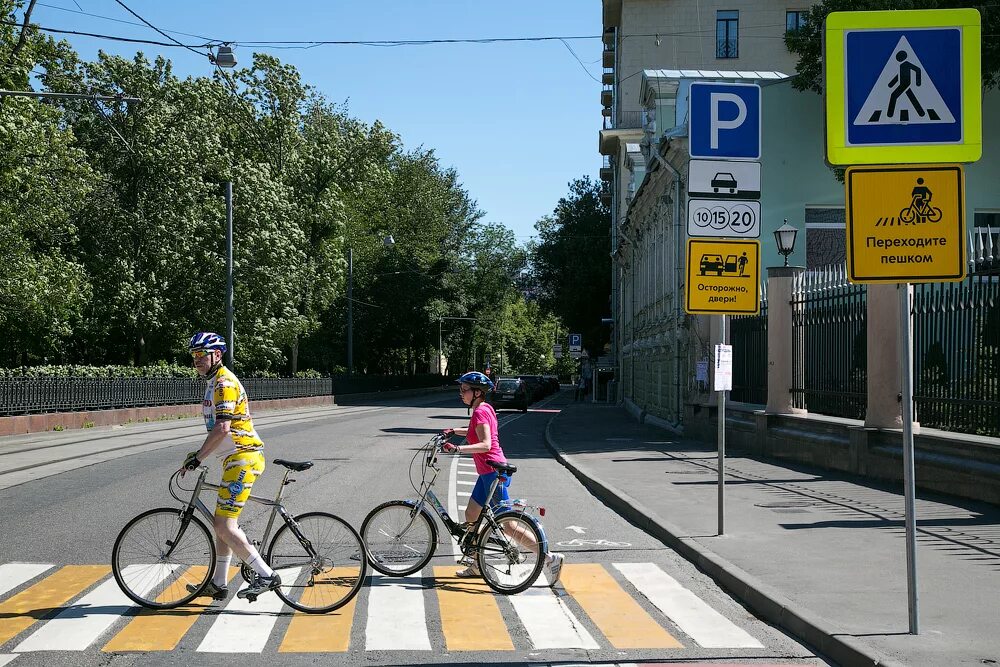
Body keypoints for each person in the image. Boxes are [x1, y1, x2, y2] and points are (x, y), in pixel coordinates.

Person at [180, 332, 280, 602]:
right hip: (233, 459)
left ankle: (266, 574)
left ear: (217, 355)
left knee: (224, 524)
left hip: (243, 458)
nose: (197, 360)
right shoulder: (215, 382)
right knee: (221, 524)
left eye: (202, 355)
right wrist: (198, 453)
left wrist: (199, 458)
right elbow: (218, 429)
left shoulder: (224, 382)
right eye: (194, 356)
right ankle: (219, 582)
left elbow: (223, 427)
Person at [441, 371, 564, 585]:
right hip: (487, 474)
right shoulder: (485, 408)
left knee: (508, 525)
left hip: (494, 473)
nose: (461, 393)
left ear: (477, 392)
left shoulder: (480, 412)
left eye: (464, 390)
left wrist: (457, 448)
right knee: (471, 514)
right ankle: (477, 562)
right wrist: (453, 430)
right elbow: (474, 431)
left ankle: (549, 558)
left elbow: (486, 444)